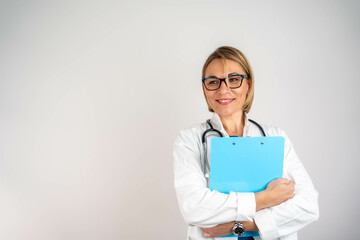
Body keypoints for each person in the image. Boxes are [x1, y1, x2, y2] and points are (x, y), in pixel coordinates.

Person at [173, 46, 319, 240]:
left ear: (248, 85)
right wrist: (267, 198)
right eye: (213, 81)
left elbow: (308, 206)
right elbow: (194, 207)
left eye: (234, 79)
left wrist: (238, 226)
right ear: (205, 88)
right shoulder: (190, 139)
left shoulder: (274, 136)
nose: (223, 89)